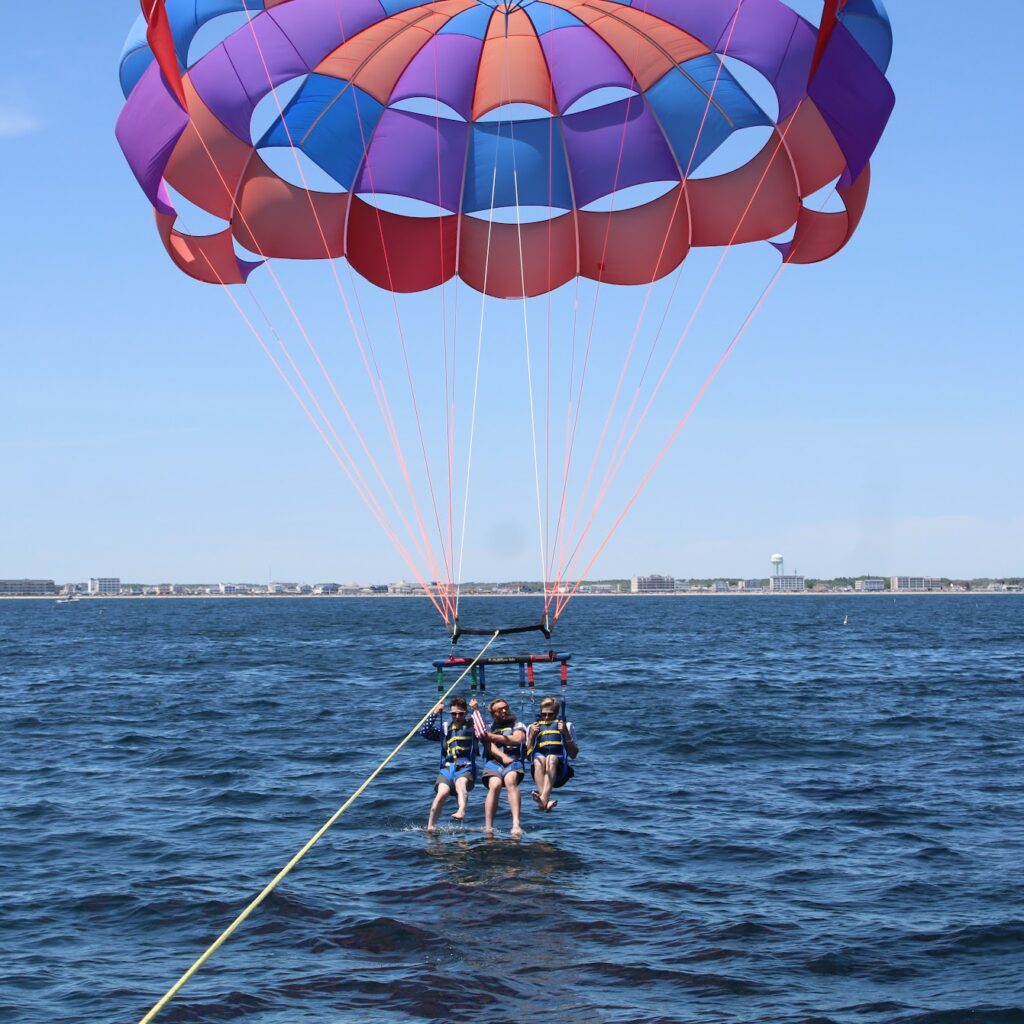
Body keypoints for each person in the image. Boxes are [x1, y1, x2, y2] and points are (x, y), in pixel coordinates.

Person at [420, 695, 478, 831]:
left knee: (460, 784)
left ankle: (461, 810)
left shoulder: (473, 727)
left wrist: (476, 710)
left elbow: (483, 732)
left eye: (460, 713)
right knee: (442, 793)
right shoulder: (446, 729)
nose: (457, 716)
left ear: (465, 713)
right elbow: (424, 732)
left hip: (466, 767)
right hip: (447, 768)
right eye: (454, 714)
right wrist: (435, 712)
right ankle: (430, 827)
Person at [471, 697, 527, 837]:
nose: (504, 711)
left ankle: (515, 824)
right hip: (494, 763)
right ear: (493, 714)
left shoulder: (518, 725)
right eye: (500, 709)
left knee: (510, 780)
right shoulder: (488, 728)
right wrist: (501, 756)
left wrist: (494, 737)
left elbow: (517, 739)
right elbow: (487, 744)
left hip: (513, 761)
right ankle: (488, 827)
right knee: (494, 785)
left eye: (506, 707)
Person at [527, 696, 578, 813]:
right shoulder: (533, 727)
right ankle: (545, 801)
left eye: (550, 714)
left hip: (560, 772)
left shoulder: (567, 726)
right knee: (538, 759)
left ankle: (543, 800)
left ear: (557, 713)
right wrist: (531, 737)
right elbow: (528, 757)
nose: (546, 717)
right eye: (543, 714)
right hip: (539, 768)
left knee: (551, 758)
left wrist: (566, 734)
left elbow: (573, 754)